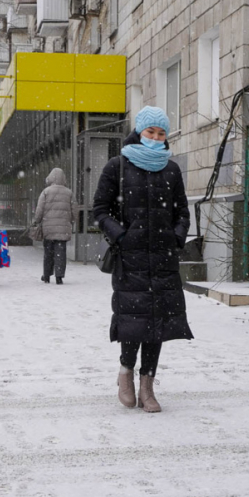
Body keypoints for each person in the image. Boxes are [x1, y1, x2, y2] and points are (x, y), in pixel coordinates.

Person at [92, 106, 193, 413]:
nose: (156, 138)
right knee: (133, 319)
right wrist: (122, 236)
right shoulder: (117, 166)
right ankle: (126, 373)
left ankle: (147, 384)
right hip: (131, 257)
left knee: (158, 322)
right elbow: (100, 210)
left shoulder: (171, 169)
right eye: (151, 132)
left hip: (163, 257)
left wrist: (176, 237)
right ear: (139, 132)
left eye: (161, 133)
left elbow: (183, 213)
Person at [33, 167, 75, 284]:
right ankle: (59, 276)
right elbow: (74, 211)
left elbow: (39, 210)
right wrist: (70, 220)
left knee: (48, 252)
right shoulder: (69, 192)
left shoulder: (46, 192)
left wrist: (37, 220)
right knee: (61, 253)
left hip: (48, 228)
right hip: (63, 228)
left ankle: (46, 276)